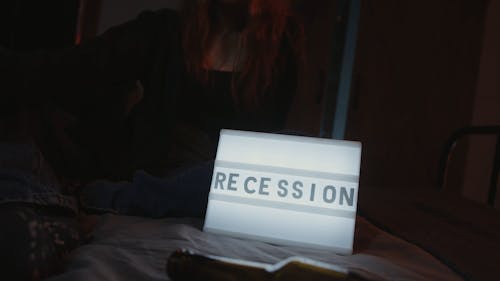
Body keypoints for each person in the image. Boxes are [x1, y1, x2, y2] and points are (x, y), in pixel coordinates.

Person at [0, 0, 305, 279]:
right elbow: (63, 70)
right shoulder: (164, 31)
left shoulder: (281, 45)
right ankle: (105, 199)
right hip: (152, 178)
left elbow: (265, 144)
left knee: (233, 170)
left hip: (219, 186)